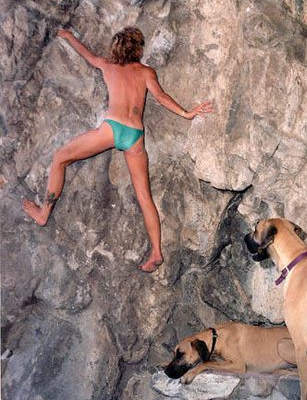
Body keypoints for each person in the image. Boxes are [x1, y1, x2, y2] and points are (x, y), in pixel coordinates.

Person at [23, 27, 213, 272]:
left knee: (60, 158)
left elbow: (87, 55)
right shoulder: (146, 72)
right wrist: (187, 113)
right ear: (138, 50)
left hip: (112, 129)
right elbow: (161, 97)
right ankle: (156, 252)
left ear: (115, 49)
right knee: (144, 196)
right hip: (135, 136)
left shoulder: (108, 66)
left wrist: (70, 37)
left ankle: (43, 214)